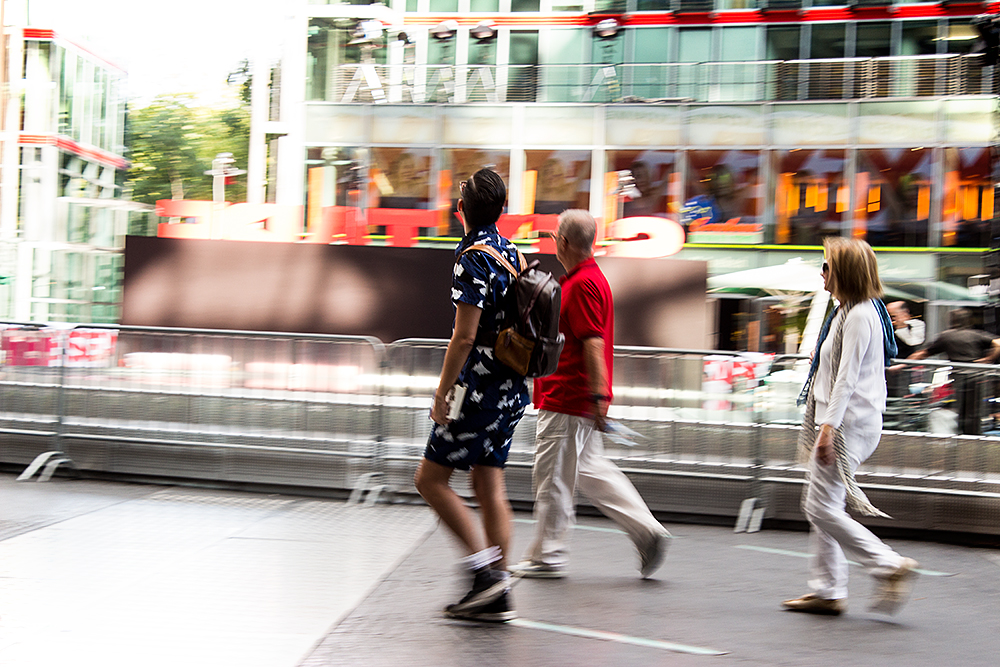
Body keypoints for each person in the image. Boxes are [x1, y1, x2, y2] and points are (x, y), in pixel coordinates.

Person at [510, 209, 670, 580]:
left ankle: (547, 555)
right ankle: (648, 532)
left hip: (567, 396)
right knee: (592, 470)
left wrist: (600, 397)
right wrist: (599, 400)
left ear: (563, 242)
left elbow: (591, 343)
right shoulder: (590, 280)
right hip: (577, 398)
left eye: (554, 239)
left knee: (553, 478)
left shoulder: (580, 285)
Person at [413, 168, 530, 623]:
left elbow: (464, 337)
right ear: (501, 210)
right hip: (512, 388)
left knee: (430, 480)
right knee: (488, 483)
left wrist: (442, 394)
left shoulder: (472, 257)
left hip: (479, 386)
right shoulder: (512, 253)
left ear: (460, 209)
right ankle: (495, 594)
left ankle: (486, 577)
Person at [783, 237, 918, 617]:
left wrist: (828, 429)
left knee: (819, 507)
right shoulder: (847, 312)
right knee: (824, 504)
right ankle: (828, 590)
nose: (821, 272)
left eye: (826, 266)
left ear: (843, 272)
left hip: (846, 425)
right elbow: (837, 368)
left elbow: (847, 379)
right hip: (843, 421)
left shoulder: (859, 315)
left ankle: (889, 565)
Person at [907, 308, 1000, 435]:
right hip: (978, 378)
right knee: (974, 412)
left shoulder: (947, 336)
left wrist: (904, 364)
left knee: (962, 411)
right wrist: (987, 359)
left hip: (960, 379)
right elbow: (998, 343)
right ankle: (973, 438)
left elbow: (923, 353)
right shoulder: (976, 334)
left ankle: (964, 438)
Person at [885, 301, 925, 398]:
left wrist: (901, 327)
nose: (892, 321)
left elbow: (914, 343)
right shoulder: (889, 329)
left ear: (905, 313)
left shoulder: (917, 326)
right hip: (889, 375)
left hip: (907, 375)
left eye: (894, 316)